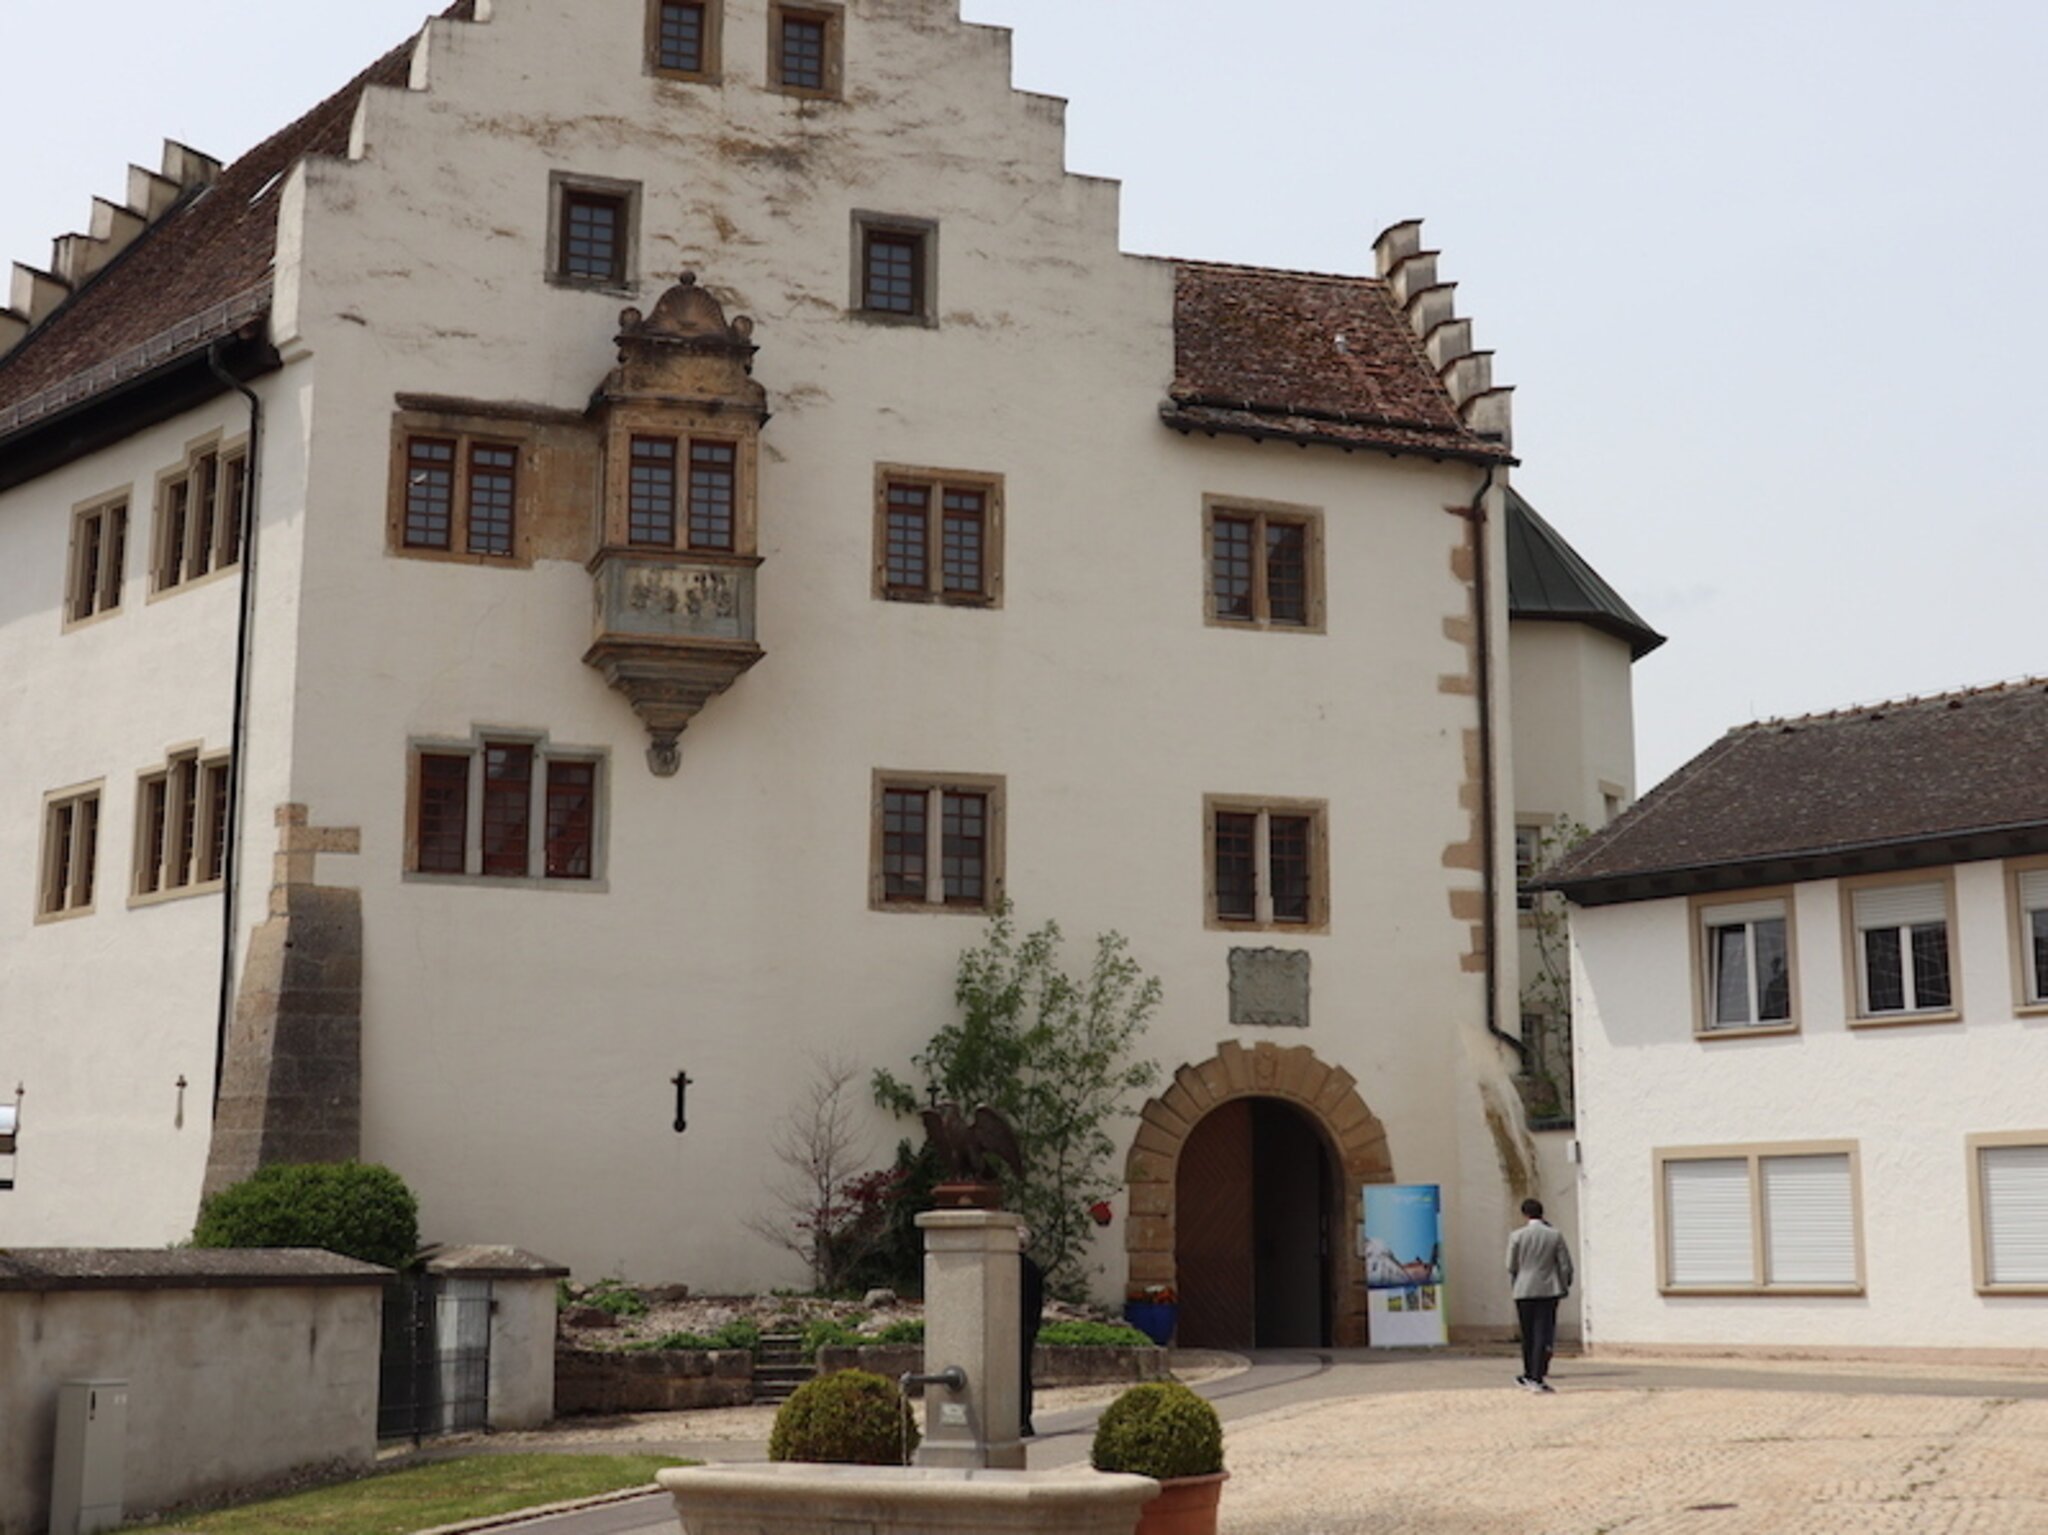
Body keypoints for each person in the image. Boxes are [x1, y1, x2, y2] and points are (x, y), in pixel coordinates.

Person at [1505, 1197, 1572, 1393]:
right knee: (1542, 1332)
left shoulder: (1516, 1236)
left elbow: (1510, 1265)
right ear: (1542, 1213)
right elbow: (1565, 1265)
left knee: (1528, 1334)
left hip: (1523, 1289)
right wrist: (1564, 1284)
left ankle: (1527, 1373)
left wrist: (1519, 1278)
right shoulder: (1555, 1235)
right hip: (1549, 1288)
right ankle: (1537, 1375)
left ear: (1525, 1214)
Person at [1019, 1229, 1045, 1436]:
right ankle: (1023, 1419)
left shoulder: (1006, 1268)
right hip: (1027, 1328)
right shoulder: (1034, 1269)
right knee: (1023, 1374)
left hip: (1014, 1328)